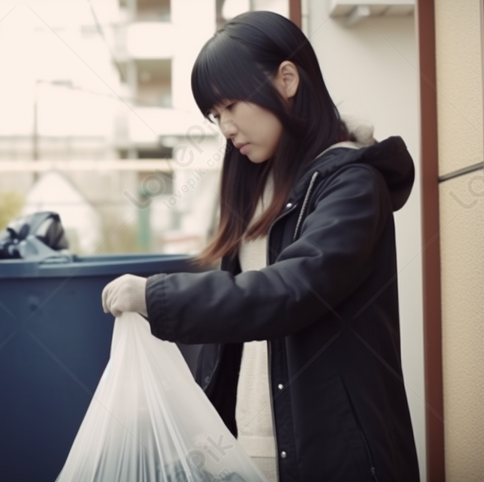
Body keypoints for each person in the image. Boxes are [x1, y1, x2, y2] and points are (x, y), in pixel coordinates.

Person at [101, 10, 420, 482]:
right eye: (215, 115)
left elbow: (290, 290)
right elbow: (241, 314)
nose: (225, 127)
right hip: (249, 448)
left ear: (287, 79)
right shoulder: (258, 186)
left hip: (329, 454)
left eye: (231, 105)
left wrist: (157, 296)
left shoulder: (353, 185)